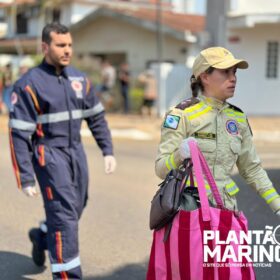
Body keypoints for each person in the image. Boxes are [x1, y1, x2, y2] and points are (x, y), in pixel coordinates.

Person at [9, 22, 117, 279]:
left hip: (75, 152)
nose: (67, 50)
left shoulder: (80, 79)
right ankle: (68, 275)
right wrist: (25, 176)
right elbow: (19, 136)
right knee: (65, 216)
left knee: (77, 205)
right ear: (45, 47)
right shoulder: (28, 85)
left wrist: (107, 150)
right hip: (49, 154)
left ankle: (42, 234)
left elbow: (97, 118)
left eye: (69, 44)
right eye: (61, 45)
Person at [155, 46, 280, 216]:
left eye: (234, 72)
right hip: (189, 212)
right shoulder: (181, 115)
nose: (233, 78)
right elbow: (161, 169)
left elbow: (252, 169)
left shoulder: (238, 118)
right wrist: (179, 154)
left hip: (226, 211)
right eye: (225, 72)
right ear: (205, 76)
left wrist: (277, 205)